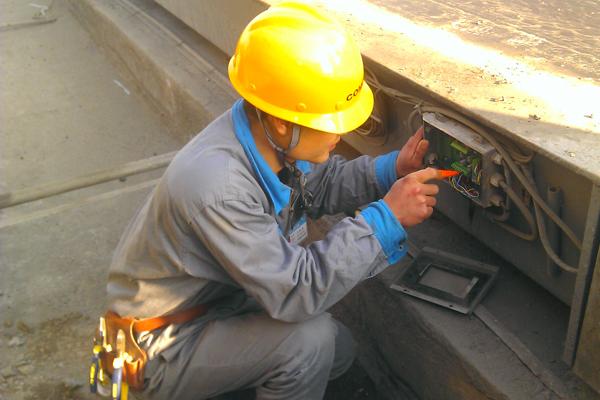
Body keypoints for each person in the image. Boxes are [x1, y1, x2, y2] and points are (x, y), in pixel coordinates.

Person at [105, 2, 439, 399]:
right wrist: (385, 220)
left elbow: (318, 185)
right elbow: (296, 291)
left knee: (338, 350)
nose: (340, 134)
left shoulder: (262, 132)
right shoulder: (219, 187)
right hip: (160, 345)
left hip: (218, 305)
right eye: (330, 123)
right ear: (282, 123)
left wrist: (391, 170)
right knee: (310, 344)